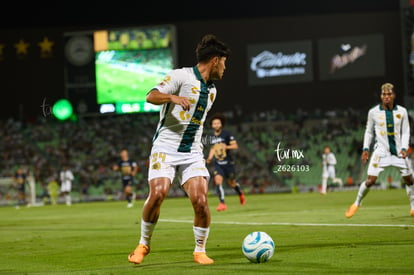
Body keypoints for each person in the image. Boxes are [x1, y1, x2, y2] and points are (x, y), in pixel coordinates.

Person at [127, 34, 231, 265]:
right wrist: (172, 97)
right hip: (165, 147)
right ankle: (144, 244)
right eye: (224, 62)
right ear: (215, 60)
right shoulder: (180, 76)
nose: (225, 68)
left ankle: (199, 250)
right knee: (158, 193)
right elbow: (150, 96)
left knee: (201, 200)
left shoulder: (212, 92)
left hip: (192, 151)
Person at [345, 83, 414, 218]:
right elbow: (369, 132)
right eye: (384, 94)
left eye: (389, 94)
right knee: (370, 181)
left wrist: (405, 148)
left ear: (394, 95)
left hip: (399, 152)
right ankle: (356, 203)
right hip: (380, 152)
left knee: (410, 180)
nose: (386, 97)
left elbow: (406, 131)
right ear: (381, 96)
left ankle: (413, 207)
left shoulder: (402, 111)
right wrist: (366, 148)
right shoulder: (373, 112)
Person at [206, 113, 245, 211]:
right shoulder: (211, 136)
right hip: (218, 163)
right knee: (218, 181)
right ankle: (222, 203)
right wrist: (210, 158)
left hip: (228, 163)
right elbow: (213, 148)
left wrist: (226, 146)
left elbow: (235, 146)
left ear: (221, 124)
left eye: (218, 123)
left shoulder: (227, 134)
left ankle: (240, 193)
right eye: (214, 123)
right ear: (212, 125)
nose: (216, 125)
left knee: (232, 183)